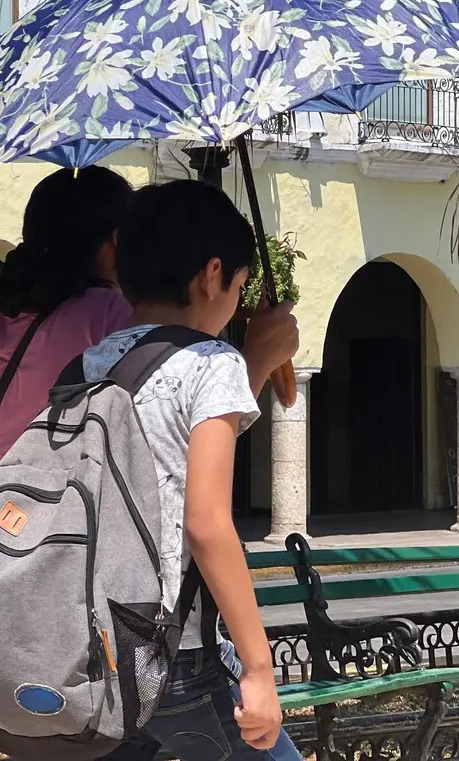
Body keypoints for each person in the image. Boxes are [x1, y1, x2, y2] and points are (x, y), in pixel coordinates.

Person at [0, 170, 299, 661]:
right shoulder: (122, 324)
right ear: (118, 242)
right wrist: (256, 360)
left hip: (14, 571)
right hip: (109, 591)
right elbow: (182, 444)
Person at [84, 179, 298, 760]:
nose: (236, 296)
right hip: (177, 655)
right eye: (240, 282)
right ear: (211, 275)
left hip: (104, 648)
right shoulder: (213, 362)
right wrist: (258, 669)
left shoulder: (99, 359)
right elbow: (205, 523)